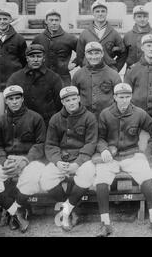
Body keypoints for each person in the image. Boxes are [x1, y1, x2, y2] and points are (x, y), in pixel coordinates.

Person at [93, 83, 152, 237]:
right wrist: (104, 149)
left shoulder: (139, 113)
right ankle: (105, 223)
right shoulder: (105, 114)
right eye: (120, 97)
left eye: (127, 97)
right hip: (112, 157)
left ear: (131, 97)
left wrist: (148, 153)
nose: (124, 100)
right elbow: (100, 138)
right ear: (114, 97)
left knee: (146, 177)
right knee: (101, 181)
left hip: (132, 153)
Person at [40, 86, 97, 232]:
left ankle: (65, 212)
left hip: (81, 158)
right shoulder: (56, 118)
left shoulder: (89, 117)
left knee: (88, 174)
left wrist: (78, 163)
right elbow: (51, 144)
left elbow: (91, 143)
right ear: (62, 102)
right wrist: (57, 161)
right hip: (62, 159)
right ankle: (72, 208)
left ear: (79, 98)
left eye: (73, 99)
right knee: (46, 178)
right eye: (67, 100)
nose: (71, 103)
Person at [0, 85, 46, 233]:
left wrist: (25, 160)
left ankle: (13, 212)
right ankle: (17, 212)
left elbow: (41, 144)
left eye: (17, 98)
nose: (14, 102)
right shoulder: (0, 121)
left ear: (22, 99)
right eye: (10, 99)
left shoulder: (35, 118)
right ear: (6, 101)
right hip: (8, 162)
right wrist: (4, 161)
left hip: (30, 161)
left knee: (32, 177)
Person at [7, 44, 63, 125]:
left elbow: (59, 104)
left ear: (44, 58)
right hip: (23, 123)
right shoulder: (15, 78)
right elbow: (9, 103)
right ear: (27, 58)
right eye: (32, 56)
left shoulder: (54, 78)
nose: (35, 60)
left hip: (47, 123)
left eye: (39, 56)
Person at [0, 9, 27, 128]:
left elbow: (24, 61)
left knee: (14, 113)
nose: (2, 22)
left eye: (5, 19)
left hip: (13, 82)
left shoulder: (19, 39)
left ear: (10, 20)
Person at [72, 42, 121, 118]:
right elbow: (73, 99)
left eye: (97, 53)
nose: (93, 57)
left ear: (102, 54)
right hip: (84, 118)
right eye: (90, 53)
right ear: (85, 54)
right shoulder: (78, 75)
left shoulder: (113, 75)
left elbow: (119, 100)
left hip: (107, 118)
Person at [75, 1, 127, 73]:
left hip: (108, 70)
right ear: (93, 13)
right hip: (89, 70)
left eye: (103, 11)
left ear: (106, 13)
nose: (100, 14)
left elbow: (123, 52)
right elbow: (80, 55)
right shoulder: (85, 33)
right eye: (97, 11)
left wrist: (116, 68)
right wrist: (84, 67)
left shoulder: (114, 33)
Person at [31, 9, 77, 86]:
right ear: (46, 21)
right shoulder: (38, 38)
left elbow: (82, 52)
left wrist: (73, 64)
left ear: (60, 21)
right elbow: (30, 55)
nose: (54, 23)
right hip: (42, 78)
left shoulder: (70, 38)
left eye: (56, 20)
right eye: (51, 20)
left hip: (62, 78)